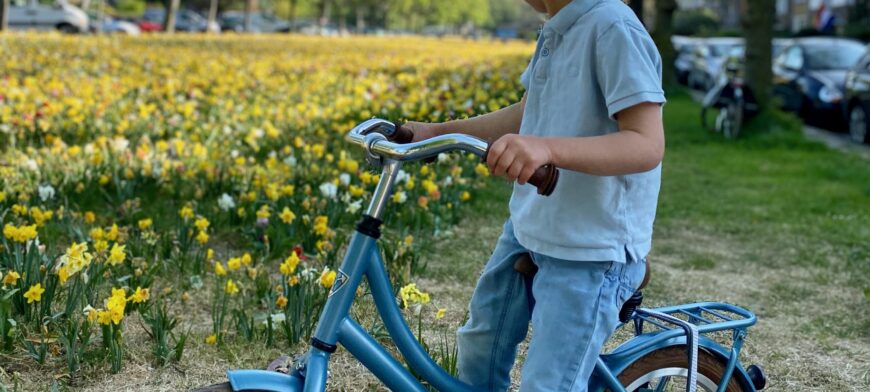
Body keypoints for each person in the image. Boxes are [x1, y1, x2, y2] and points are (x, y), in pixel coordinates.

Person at [401, 0, 666, 390]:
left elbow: (646, 144)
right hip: (531, 228)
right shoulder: (558, 26)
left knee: (548, 382)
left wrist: (547, 149)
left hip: (589, 248)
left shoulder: (613, 29)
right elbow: (530, 112)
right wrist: (437, 132)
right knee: (479, 347)